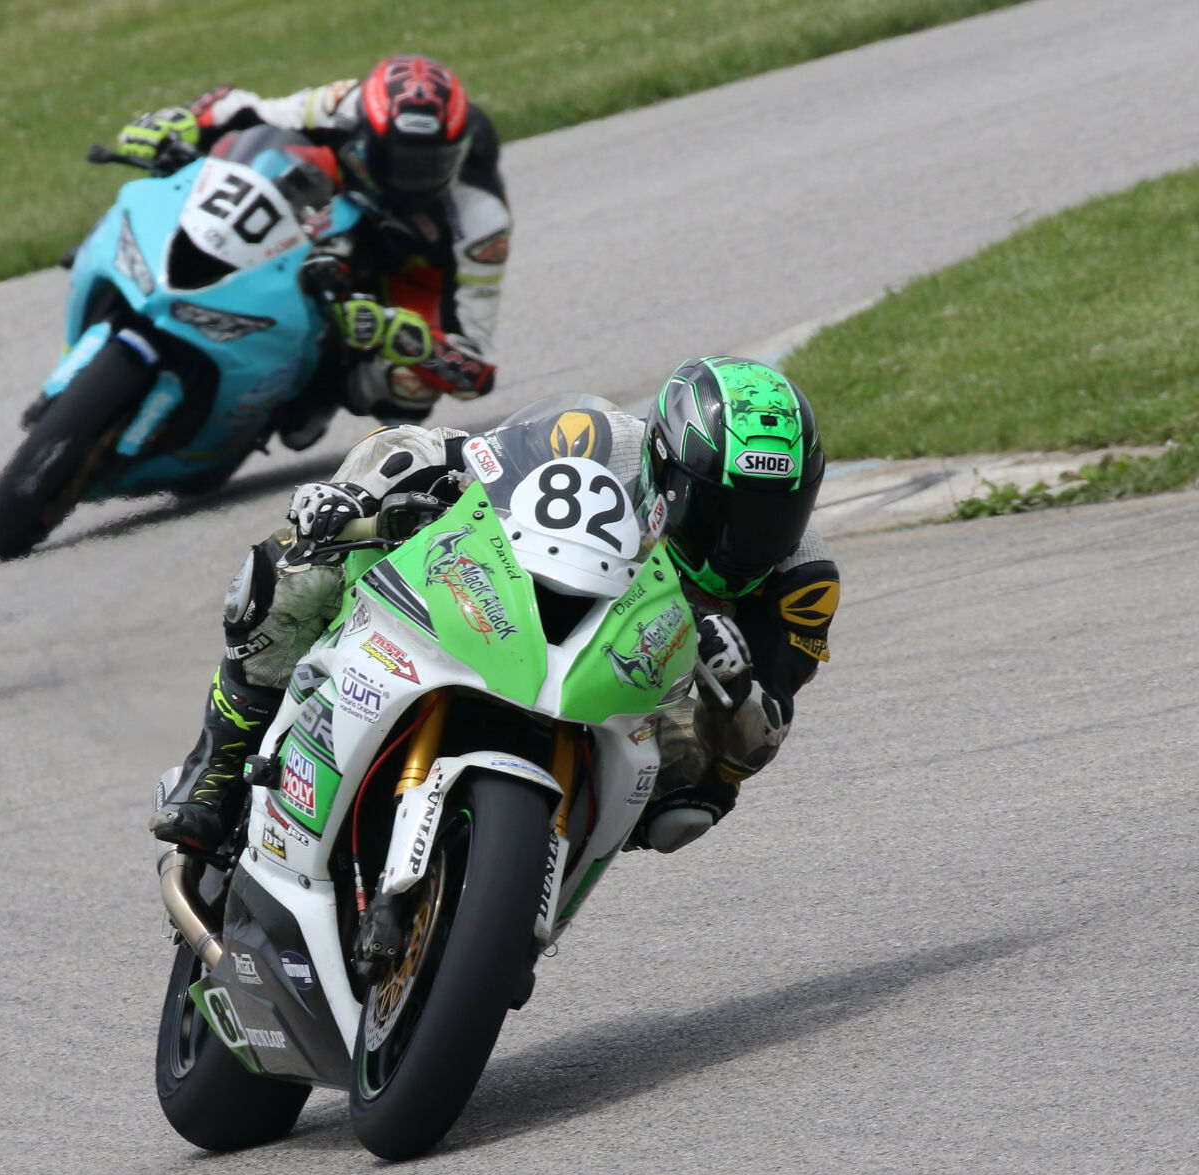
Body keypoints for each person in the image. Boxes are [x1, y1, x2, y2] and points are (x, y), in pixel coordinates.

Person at [150, 356, 840, 871]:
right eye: (725, 512)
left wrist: (741, 688)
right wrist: (351, 495)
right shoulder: (599, 438)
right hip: (509, 598)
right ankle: (219, 756)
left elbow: (759, 738)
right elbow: (434, 448)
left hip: (637, 692)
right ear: (665, 466)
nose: (745, 541)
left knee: (692, 798)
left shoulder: (802, 583)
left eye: (772, 517)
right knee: (296, 569)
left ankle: (523, 874)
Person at [115, 55, 510, 444]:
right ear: (367, 128)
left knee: (407, 388)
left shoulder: (482, 219)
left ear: (456, 153)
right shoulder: (346, 103)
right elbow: (249, 110)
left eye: (428, 164)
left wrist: (394, 331)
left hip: (392, 278)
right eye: (397, 157)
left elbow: (476, 371)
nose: (409, 177)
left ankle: (308, 392)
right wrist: (181, 120)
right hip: (320, 205)